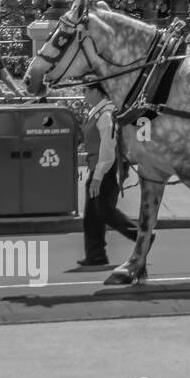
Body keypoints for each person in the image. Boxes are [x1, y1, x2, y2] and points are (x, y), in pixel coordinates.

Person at [77, 81, 139, 267]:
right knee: (92, 215)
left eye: (85, 90)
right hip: (98, 167)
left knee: (104, 211)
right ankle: (95, 255)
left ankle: (141, 236)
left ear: (96, 91)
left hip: (105, 168)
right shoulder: (98, 111)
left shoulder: (105, 114)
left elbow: (108, 148)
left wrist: (98, 177)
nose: (83, 94)